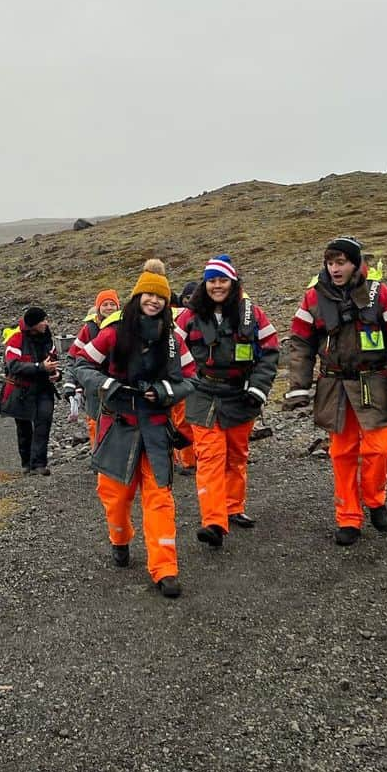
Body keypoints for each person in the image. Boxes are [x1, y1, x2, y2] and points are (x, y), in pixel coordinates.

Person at [283, 237, 387, 546]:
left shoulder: (381, 295)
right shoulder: (313, 299)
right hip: (334, 388)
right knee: (342, 454)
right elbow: (300, 344)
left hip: (375, 385)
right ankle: (348, 518)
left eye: (341, 262)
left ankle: (374, 498)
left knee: (381, 449)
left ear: (355, 263)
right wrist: (298, 388)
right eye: (330, 263)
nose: (335, 268)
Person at [75, 260, 192, 598]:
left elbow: (190, 378)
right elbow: (82, 364)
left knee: (160, 498)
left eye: (160, 297)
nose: (153, 301)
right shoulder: (113, 332)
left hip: (156, 428)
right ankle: (120, 538)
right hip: (119, 427)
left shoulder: (172, 340)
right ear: (138, 295)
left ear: (166, 303)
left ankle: (165, 568)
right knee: (116, 497)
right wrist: (108, 384)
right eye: (148, 295)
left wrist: (167, 392)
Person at [174, 255, 280, 547]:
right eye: (212, 281)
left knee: (236, 453)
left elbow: (270, 351)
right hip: (202, 393)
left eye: (222, 280)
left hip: (240, 394)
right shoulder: (188, 317)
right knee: (209, 457)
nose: (217, 286)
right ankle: (213, 522)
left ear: (233, 282)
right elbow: (170, 350)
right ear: (204, 284)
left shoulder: (253, 314)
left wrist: (259, 387)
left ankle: (234, 507)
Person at [0, 306, 59, 475]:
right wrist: (40, 367)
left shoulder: (48, 339)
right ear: (33, 324)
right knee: (24, 428)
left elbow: (53, 361)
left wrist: (56, 374)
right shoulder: (16, 339)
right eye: (43, 320)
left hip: (44, 389)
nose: (46, 323)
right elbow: (14, 365)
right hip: (21, 391)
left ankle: (39, 464)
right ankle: (26, 464)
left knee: (43, 424)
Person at [65, 289, 121, 446]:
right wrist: (71, 383)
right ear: (98, 307)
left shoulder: (125, 326)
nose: (109, 308)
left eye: (112, 304)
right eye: (105, 304)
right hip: (94, 386)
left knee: (120, 425)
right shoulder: (89, 329)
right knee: (96, 424)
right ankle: (99, 462)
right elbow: (74, 357)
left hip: (118, 385)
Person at [170, 281, 199, 473]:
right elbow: (175, 344)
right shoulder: (184, 317)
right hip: (182, 376)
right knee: (181, 419)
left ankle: (188, 458)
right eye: (188, 298)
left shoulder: (201, 315)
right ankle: (186, 460)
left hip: (196, 375)